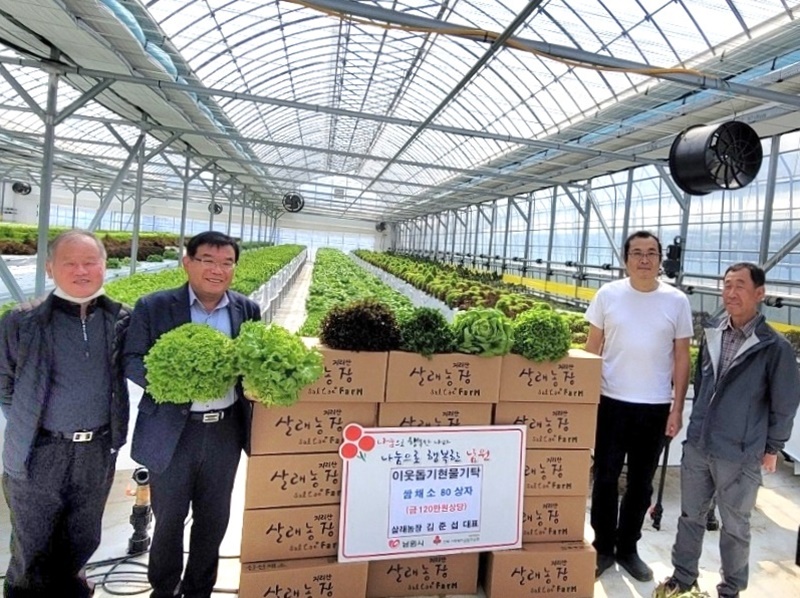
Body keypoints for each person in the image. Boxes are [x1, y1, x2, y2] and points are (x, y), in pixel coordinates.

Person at [124, 231, 260, 598]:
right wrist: (174, 380)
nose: (217, 270)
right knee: (168, 518)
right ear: (187, 263)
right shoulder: (153, 306)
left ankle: (200, 589)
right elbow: (132, 358)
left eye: (227, 263)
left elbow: (254, 362)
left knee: (214, 519)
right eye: (208, 260)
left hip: (224, 432)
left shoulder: (247, 309)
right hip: (172, 431)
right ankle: (164, 588)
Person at [655, 263, 800, 598]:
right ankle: (683, 577)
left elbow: (784, 404)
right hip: (700, 445)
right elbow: (703, 384)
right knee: (690, 516)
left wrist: (772, 448)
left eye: (740, 286)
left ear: (759, 294)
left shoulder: (773, 347)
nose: (731, 293)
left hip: (739, 452)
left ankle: (731, 589)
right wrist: (694, 427)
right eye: (727, 285)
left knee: (735, 526)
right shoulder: (713, 334)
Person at [0, 230, 130, 598]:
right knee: (32, 546)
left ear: (104, 265)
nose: (81, 271)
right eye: (70, 263)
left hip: (96, 450)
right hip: (39, 451)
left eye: (90, 262)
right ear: (50, 268)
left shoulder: (121, 320)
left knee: (81, 538)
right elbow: (4, 383)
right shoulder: (22, 321)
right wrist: (29, 424)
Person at [585, 230, 693, 582]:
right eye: (637, 252)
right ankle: (603, 546)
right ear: (626, 259)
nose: (644, 259)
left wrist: (677, 408)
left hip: (655, 406)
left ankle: (628, 548)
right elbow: (592, 348)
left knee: (641, 483)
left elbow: (681, 356)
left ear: (661, 259)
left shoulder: (676, 301)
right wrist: (585, 399)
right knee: (605, 477)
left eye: (651, 253)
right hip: (610, 401)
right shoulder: (608, 295)